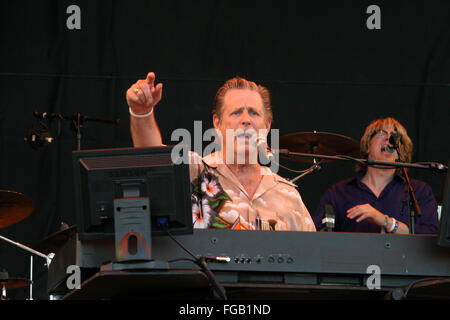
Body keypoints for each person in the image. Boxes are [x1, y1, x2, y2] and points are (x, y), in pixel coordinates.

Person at [126, 72, 316, 232]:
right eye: (236, 113)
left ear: (266, 126)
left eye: (254, 113)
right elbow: (153, 159)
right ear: (217, 123)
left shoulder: (288, 195)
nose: (246, 120)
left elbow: (313, 257)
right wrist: (141, 113)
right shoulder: (197, 172)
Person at [313, 117, 439, 234]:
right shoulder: (339, 192)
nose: (389, 138)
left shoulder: (419, 191)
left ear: (402, 151)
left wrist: (386, 222)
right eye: (382, 134)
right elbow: (318, 237)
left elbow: (430, 236)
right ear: (367, 145)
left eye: (395, 136)